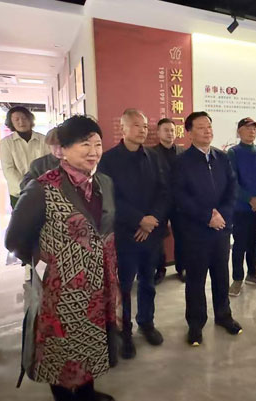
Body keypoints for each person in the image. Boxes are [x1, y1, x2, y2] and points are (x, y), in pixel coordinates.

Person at [5, 115, 120, 401]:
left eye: (97, 144)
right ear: (63, 149)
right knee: (60, 345)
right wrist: (51, 262)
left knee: (93, 336)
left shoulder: (105, 182)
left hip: (100, 281)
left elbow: (106, 225)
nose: (93, 151)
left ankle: (85, 393)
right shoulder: (42, 187)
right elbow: (15, 239)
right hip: (62, 286)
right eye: (84, 144)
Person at [98, 109, 168, 358]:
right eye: (137, 125)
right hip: (125, 234)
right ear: (123, 128)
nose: (142, 130)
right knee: (125, 286)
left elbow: (163, 191)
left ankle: (146, 322)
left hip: (151, 234)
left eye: (145, 126)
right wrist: (139, 220)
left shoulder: (153, 156)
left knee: (148, 282)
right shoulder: (108, 160)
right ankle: (124, 331)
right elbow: (109, 198)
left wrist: (152, 220)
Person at [173, 111, 242, 346]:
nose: (207, 131)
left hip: (221, 230)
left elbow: (232, 189)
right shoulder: (181, 162)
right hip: (195, 232)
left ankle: (223, 316)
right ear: (189, 133)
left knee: (221, 275)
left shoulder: (222, 157)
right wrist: (206, 217)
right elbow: (180, 197)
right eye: (201, 127)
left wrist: (222, 215)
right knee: (196, 280)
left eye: (209, 126)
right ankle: (195, 323)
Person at [227, 117, 256, 296]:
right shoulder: (233, 153)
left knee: (254, 241)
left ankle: (253, 274)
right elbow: (232, 181)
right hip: (241, 208)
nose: (252, 131)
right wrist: (250, 199)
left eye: (254, 128)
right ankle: (237, 278)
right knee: (240, 243)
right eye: (248, 128)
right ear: (239, 131)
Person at [151, 118, 186, 283]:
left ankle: (182, 267)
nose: (170, 133)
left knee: (182, 236)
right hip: (159, 202)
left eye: (172, 130)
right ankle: (160, 269)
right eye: (166, 130)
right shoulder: (150, 154)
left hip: (180, 202)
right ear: (158, 133)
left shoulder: (182, 152)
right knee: (157, 238)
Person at [0, 106, 49, 208]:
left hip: (43, 191)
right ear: (11, 122)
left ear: (30, 119)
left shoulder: (44, 139)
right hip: (18, 193)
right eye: (16, 119)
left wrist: (40, 186)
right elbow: (8, 169)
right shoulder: (6, 143)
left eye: (24, 118)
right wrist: (26, 187)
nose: (21, 122)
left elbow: (48, 164)